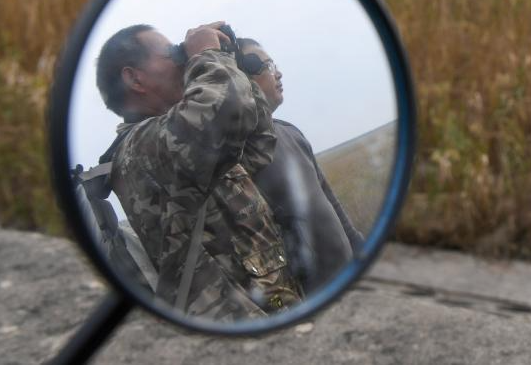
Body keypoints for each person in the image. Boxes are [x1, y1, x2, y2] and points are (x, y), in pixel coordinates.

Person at [94, 22, 302, 321]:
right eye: (171, 53)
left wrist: (231, 63)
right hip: (237, 330)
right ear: (135, 79)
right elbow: (226, 107)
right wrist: (205, 53)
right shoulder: (138, 149)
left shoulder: (185, 143)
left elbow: (257, 144)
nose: (182, 60)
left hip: (273, 309)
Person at [236, 37, 365, 294]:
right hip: (312, 298)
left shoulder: (291, 132)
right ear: (241, 79)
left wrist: (359, 246)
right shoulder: (239, 154)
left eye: (274, 64)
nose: (278, 73)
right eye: (267, 66)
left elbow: (329, 199)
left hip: (351, 277)